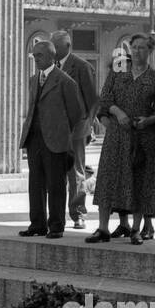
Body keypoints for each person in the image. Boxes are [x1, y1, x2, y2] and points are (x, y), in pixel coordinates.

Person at [86, 33, 155, 244]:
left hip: (142, 137)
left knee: (139, 182)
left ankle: (136, 229)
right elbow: (105, 98)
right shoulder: (119, 69)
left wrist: (148, 120)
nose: (137, 51)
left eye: (142, 48)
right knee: (108, 179)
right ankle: (103, 228)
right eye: (134, 47)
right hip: (116, 135)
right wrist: (118, 112)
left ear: (150, 50)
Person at [18, 38, 84, 239]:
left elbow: (76, 113)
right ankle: (37, 224)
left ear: (51, 57)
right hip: (34, 138)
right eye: (34, 55)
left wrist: (61, 132)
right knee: (35, 183)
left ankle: (56, 225)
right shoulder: (33, 80)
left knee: (56, 184)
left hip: (56, 140)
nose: (36, 59)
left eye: (39, 55)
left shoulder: (65, 81)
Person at [51, 29, 96, 229]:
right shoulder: (49, 67)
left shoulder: (82, 67)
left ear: (67, 47)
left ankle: (78, 214)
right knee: (56, 172)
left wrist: (86, 127)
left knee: (75, 171)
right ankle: (57, 215)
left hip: (76, 129)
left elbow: (92, 101)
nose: (53, 51)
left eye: (56, 47)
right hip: (54, 129)